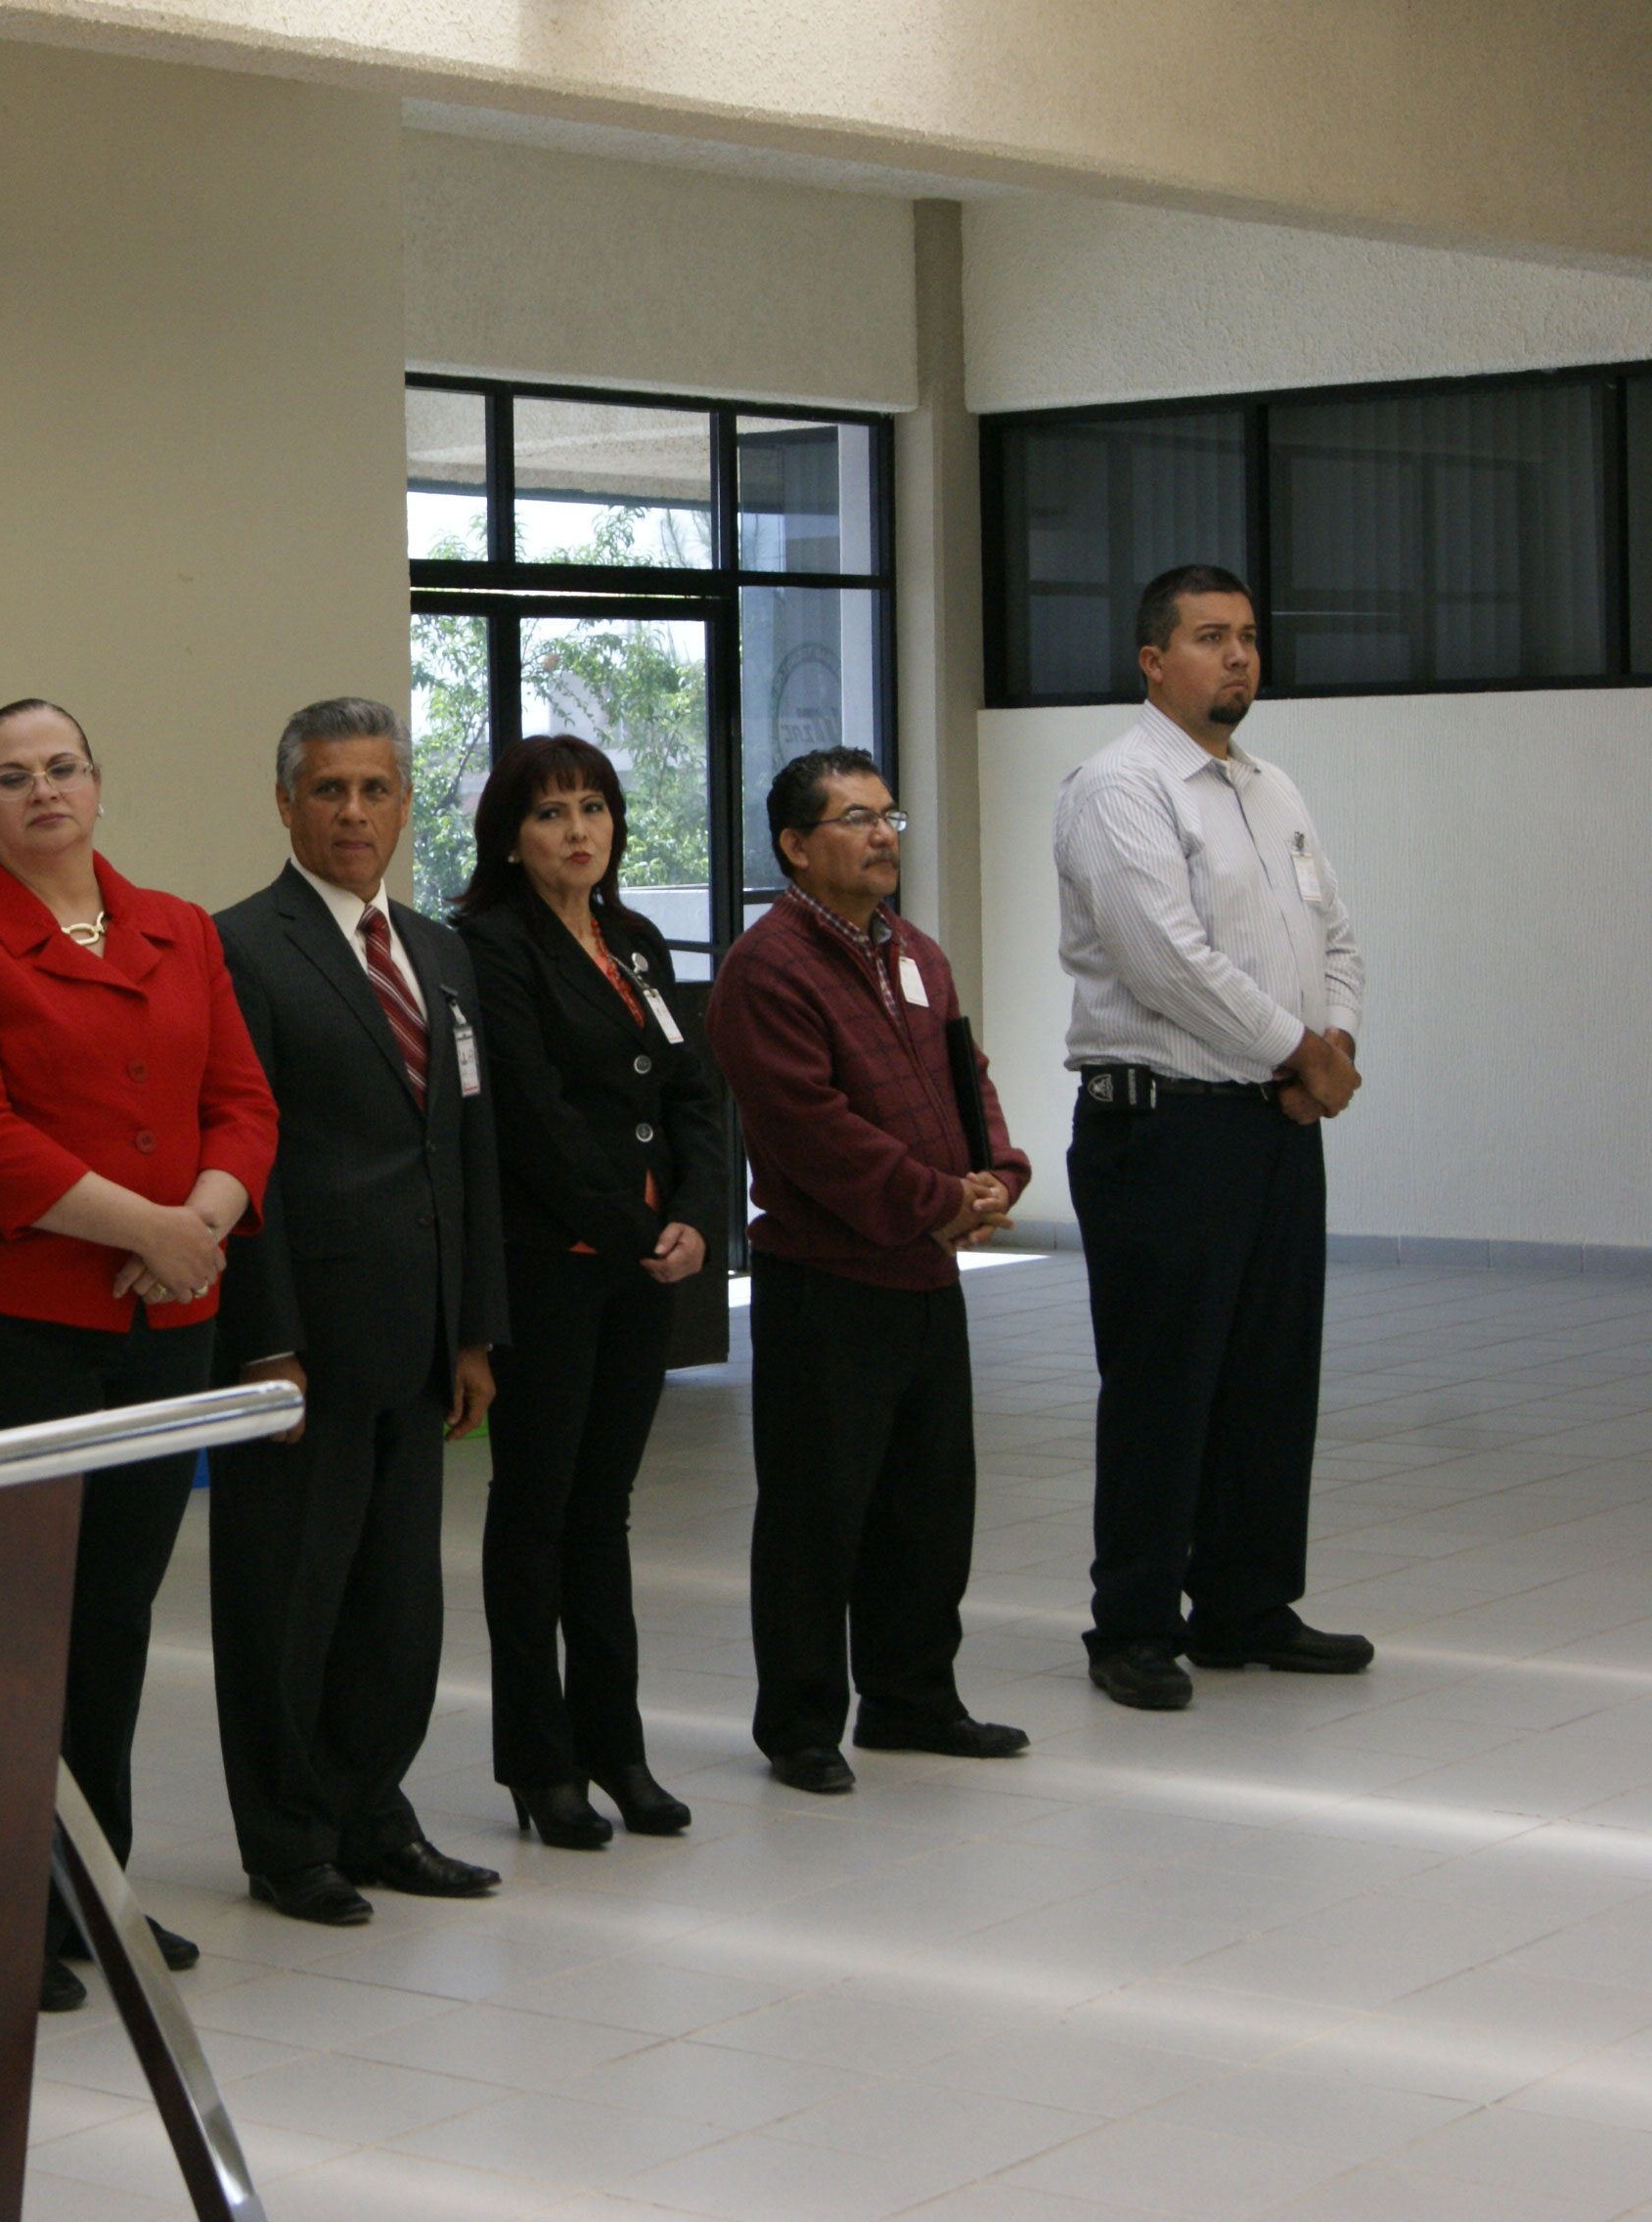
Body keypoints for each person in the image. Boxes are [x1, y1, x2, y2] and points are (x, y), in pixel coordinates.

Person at [0, 698, 277, 2013]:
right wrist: (158, 1229)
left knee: (111, 1619)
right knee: (6, 1628)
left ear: (98, 785)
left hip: (165, 1323)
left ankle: (89, 1887)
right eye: (11, 776)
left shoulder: (179, 927)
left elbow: (242, 1102)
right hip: (4, 1327)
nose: (42, 790)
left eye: (62, 768)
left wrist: (200, 1232)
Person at [207, 697, 505, 1927]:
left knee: (399, 1600)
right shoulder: (238, 948)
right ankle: (289, 1839)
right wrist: (266, 1341)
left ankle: (375, 1808)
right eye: (328, 790)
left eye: (376, 789)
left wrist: (475, 1327)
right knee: (287, 1600)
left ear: (402, 802)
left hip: (421, 1339)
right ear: (285, 803)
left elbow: (468, 1144)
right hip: (305, 1345)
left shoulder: (440, 951)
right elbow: (245, 1160)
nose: (353, 812)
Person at [1054, 564, 1370, 1711]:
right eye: (1208, 638)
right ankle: (1132, 1622)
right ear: (1152, 661)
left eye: (1246, 637)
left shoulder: (1271, 784)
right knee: (1165, 1382)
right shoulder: (1120, 786)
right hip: (1164, 1127)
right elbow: (1165, 961)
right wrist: (1302, 1052)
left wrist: (1325, 1040)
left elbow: (1332, 928)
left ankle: (1245, 1605)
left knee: (1271, 1372)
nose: (1237, 657)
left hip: (1274, 1123)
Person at [706, 747, 1028, 1796]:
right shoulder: (770, 969)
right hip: (827, 1284)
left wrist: (999, 1173)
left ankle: (913, 1697)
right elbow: (812, 1132)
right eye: (855, 818)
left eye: (889, 816)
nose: (884, 835)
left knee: (928, 1503)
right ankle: (800, 1724)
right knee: (816, 1512)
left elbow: (965, 1078)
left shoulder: (917, 954)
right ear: (797, 846)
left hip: (926, 1278)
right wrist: (941, 1200)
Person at [454, 734, 725, 1847]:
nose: (579, 831)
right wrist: (632, 1229)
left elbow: (697, 1088)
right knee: (535, 1512)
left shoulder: (636, 940)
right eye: (552, 813)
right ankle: (540, 1761)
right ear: (510, 839)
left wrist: (699, 1218)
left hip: (644, 1267)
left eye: (595, 809)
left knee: (603, 1511)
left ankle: (619, 1747)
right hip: (555, 1271)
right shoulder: (489, 945)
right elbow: (531, 1117)